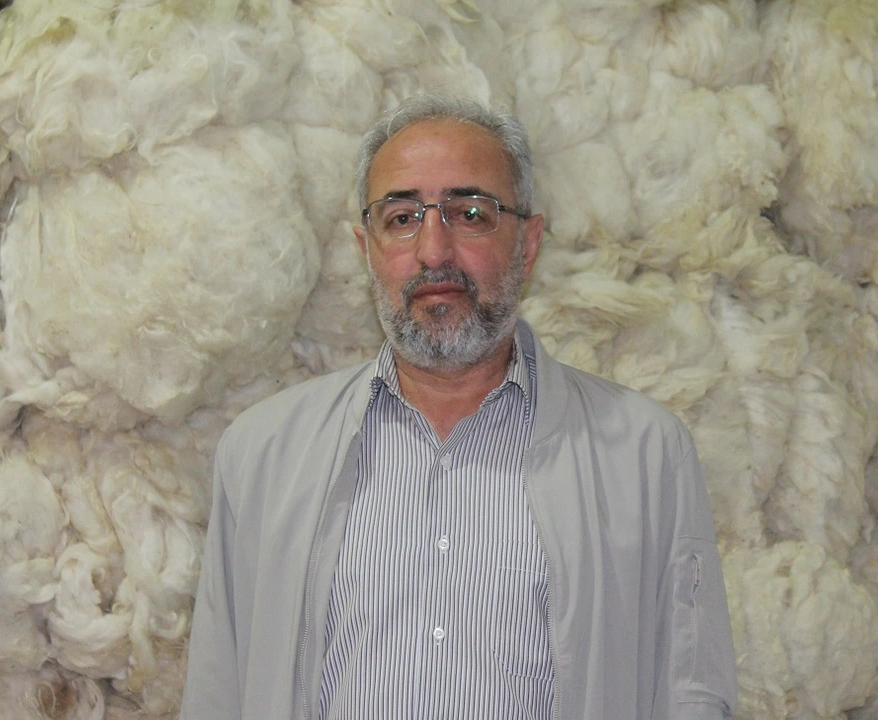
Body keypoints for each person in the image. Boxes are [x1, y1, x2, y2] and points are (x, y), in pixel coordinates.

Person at [181, 94, 737, 720]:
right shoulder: (262, 454)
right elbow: (216, 694)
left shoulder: (645, 454)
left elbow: (692, 693)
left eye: (470, 213)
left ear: (528, 244)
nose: (433, 250)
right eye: (401, 218)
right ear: (366, 248)